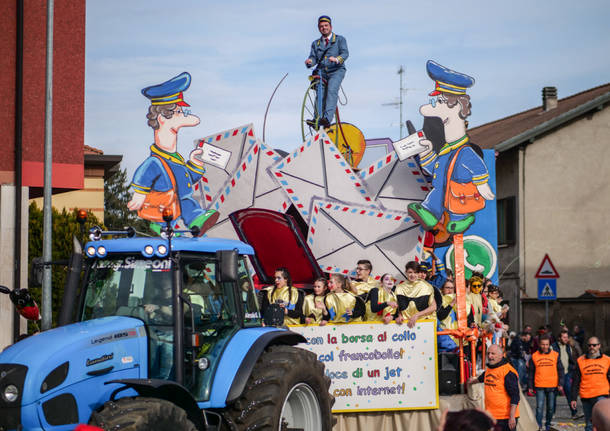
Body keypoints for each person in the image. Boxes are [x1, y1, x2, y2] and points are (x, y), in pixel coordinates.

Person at [128, 72, 218, 236]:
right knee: (179, 200)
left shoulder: (175, 159)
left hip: (177, 204)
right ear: (162, 118)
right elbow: (144, 173)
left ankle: (195, 220)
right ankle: (161, 226)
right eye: (179, 111)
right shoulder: (156, 161)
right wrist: (139, 194)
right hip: (164, 207)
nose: (184, 114)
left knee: (184, 199)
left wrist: (194, 163)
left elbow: (185, 178)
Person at [304, 15, 348, 128]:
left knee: (331, 90)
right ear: (319, 28)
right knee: (320, 94)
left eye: (326, 26)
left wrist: (337, 59)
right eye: (321, 26)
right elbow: (313, 58)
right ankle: (316, 119)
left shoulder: (339, 39)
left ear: (331, 27)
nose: (324, 28)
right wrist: (310, 61)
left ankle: (327, 118)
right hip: (321, 72)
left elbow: (345, 53)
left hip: (336, 71)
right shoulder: (316, 44)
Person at [469, 344, 520, 430]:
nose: (489, 356)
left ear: (501, 355)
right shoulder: (489, 369)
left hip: (505, 418)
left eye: (493, 354)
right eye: (488, 353)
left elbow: (515, 396)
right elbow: (481, 378)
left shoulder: (508, 372)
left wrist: (512, 417)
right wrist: (471, 382)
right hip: (491, 415)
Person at [571, 337, 610, 431]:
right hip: (586, 396)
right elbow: (576, 380)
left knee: (602, 424)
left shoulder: (607, 360)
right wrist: (573, 398)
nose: (592, 347)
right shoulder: (581, 360)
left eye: (594, 345)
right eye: (589, 345)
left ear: (599, 346)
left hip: (602, 395)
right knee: (589, 425)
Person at [528, 335, 564, 431]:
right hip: (539, 385)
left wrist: (560, 383)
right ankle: (538, 426)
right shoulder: (534, 356)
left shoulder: (555, 355)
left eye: (547, 344)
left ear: (549, 344)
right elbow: (531, 372)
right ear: (539, 344)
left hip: (552, 386)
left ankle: (548, 424)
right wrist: (530, 386)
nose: (545, 346)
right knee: (539, 407)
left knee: (551, 408)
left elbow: (561, 370)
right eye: (543, 344)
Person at [396, 261, 437, 328]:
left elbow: (433, 307)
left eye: (415, 272)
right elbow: (397, 307)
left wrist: (417, 315)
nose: (412, 275)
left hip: (423, 324)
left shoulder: (426, 287)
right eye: (410, 272)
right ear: (406, 272)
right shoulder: (399, 288)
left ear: (418, 273)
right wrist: (399, 315)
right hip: (404, 325)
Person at [552, 329, 581, 419]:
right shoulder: (553, 347)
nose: (566, 339)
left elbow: (570, 358)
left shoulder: (568, 347)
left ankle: (574, 413)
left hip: (567, 373)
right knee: (554, 394)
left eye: (567, 337)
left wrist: (573, 367)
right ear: (559, 338)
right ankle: (552, 413)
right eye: (564, 337)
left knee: (570, 392)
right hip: (556, 374)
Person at [437, 279, 458, 352]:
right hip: (445, 337)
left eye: (452, 288)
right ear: (442, 289)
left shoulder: (458, 299)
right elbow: (441, 316)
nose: (450, 290)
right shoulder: (439, 300)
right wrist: (451, 304)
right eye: (447, 288)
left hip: (457, 336)